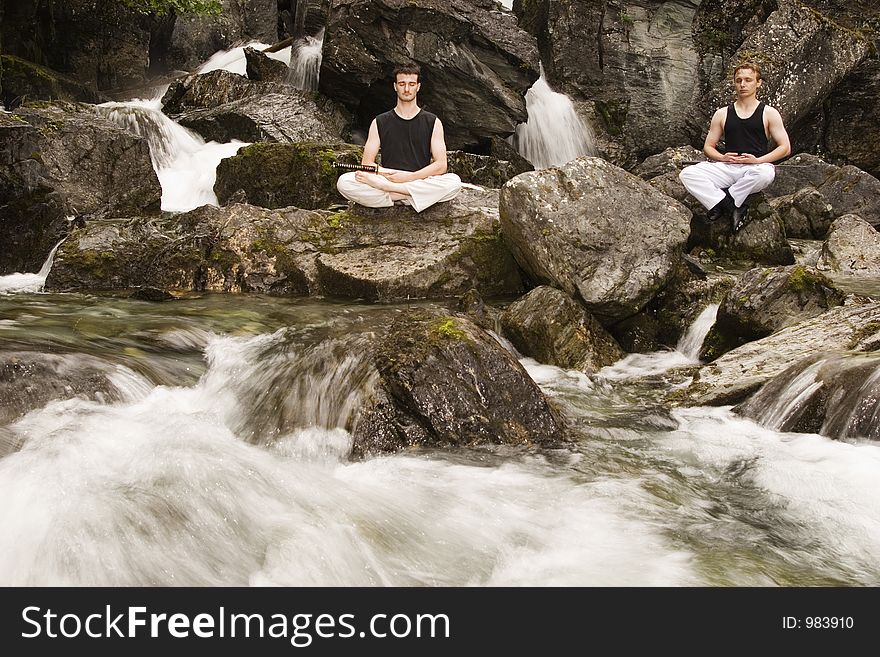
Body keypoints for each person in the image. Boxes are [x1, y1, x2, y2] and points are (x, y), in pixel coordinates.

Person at [679, 61, 791, 231]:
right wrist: (722, 157)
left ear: (758, 83)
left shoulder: (769, 113)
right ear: (734, 83)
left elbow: (785, 147)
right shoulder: (722, 113)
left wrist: (758, 160)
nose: (743, 84)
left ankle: (722, 202)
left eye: (748, 80)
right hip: (727, 167)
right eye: (739, 80)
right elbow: (708, 147)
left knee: (767, 174)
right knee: (688, 174)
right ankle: (732, 206)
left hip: (755, 169)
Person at [336, 63, 462, 213]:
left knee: (454, 182)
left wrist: (410, 177)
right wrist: (386, 174)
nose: (407, 89)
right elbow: (367, 163)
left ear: (418, 86)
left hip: (418, 179)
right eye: (402, 84)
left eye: (411, 84)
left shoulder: (433, 122)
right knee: (344, 182)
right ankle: (407, 195)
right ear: (395, 86)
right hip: (389, 178)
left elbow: (441, 165)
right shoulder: (379, 122)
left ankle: (392, 192)